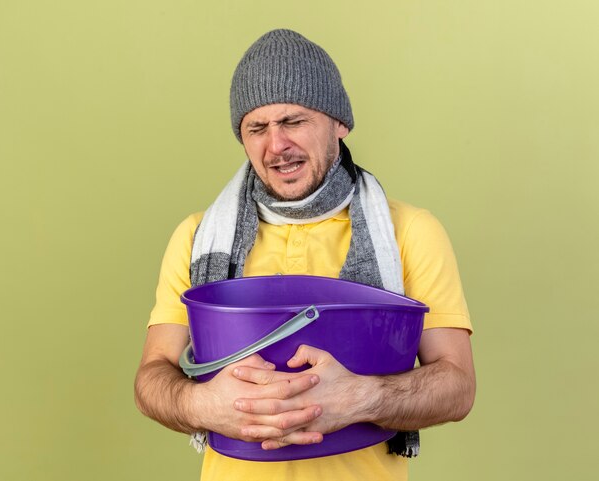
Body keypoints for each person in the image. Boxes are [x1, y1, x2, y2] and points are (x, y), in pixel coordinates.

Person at [134, 29, 475, 481]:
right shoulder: (197, 237)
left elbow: (457, 385)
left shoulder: (409, 231)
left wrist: (359, 398)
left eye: (293, 121)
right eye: (257, 128)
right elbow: (151, 376)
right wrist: (199, 403)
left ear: (339, 123)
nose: (276, 145)